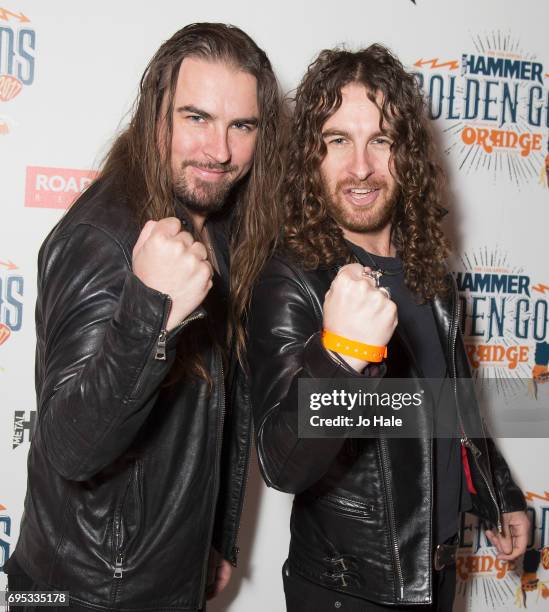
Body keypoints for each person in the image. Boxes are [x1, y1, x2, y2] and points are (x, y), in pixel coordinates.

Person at [4, 22, 283, 611]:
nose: (220, 151)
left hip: (160, 578)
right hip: (85, 592)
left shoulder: (223, 229)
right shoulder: (102, 240)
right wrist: (150, 310)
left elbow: (224, 407)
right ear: (158, 115)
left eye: (242, 126)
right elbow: (71, 448)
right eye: (197, 118)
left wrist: (216, 533)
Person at [247, 44, 529, 611]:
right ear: (311, 155)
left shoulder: (429, 269)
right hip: (349, 590)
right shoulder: (293, 278)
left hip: (436, 574)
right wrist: (344, 354)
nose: (360, 168)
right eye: (337, 141)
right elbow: (282, 462)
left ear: (406, 154)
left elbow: (453, 405)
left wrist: (502, 494)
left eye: (381, 140)